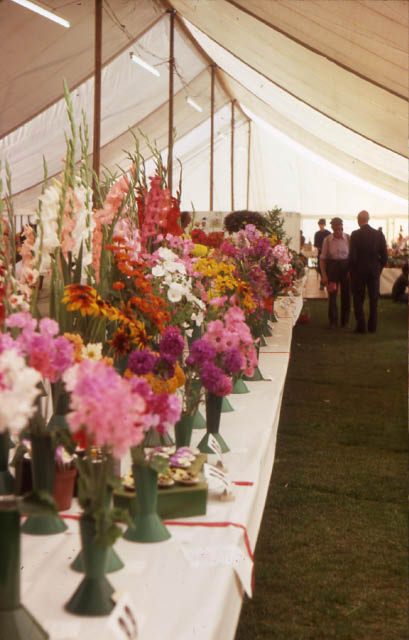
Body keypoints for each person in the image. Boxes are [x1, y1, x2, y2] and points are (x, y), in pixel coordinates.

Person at [349, 210, 388, 333]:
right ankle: (372, 327)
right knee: (373, 299)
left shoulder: (355, 235)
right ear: (368, 219)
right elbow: (385, 256)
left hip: (359, 271)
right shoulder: (378, 234)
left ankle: (361, 326)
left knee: (358, 299)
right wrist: (378, 268)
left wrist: (352, 270)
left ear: (358, 220)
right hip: (374, 271)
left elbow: (353, 256)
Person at [320, 217, 351, 329]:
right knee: (332, 295)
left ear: (341, 226)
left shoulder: (348, 238)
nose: (336, 229)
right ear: (332, 227)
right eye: (334, 226)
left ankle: (345, 321)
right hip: (332, 268)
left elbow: (351, 256)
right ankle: (333, 321)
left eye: (338, 226)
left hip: (345, 267)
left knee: (346, 295)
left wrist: (350, 271)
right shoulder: (327, 240)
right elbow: (323, 259)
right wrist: (324, 275)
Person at [314, 218, 331, 289]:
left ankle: (327, 283)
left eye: (322, 224)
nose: (321, 226)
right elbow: (316, 244)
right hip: (320, 253)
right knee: (320, 268)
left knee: (327, 269)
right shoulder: (317, 234)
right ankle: (322, 282)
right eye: (320, 224)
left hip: (328, 254)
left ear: (324, 224)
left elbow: (331, 243)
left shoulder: (328, 233)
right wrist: (320, 248)